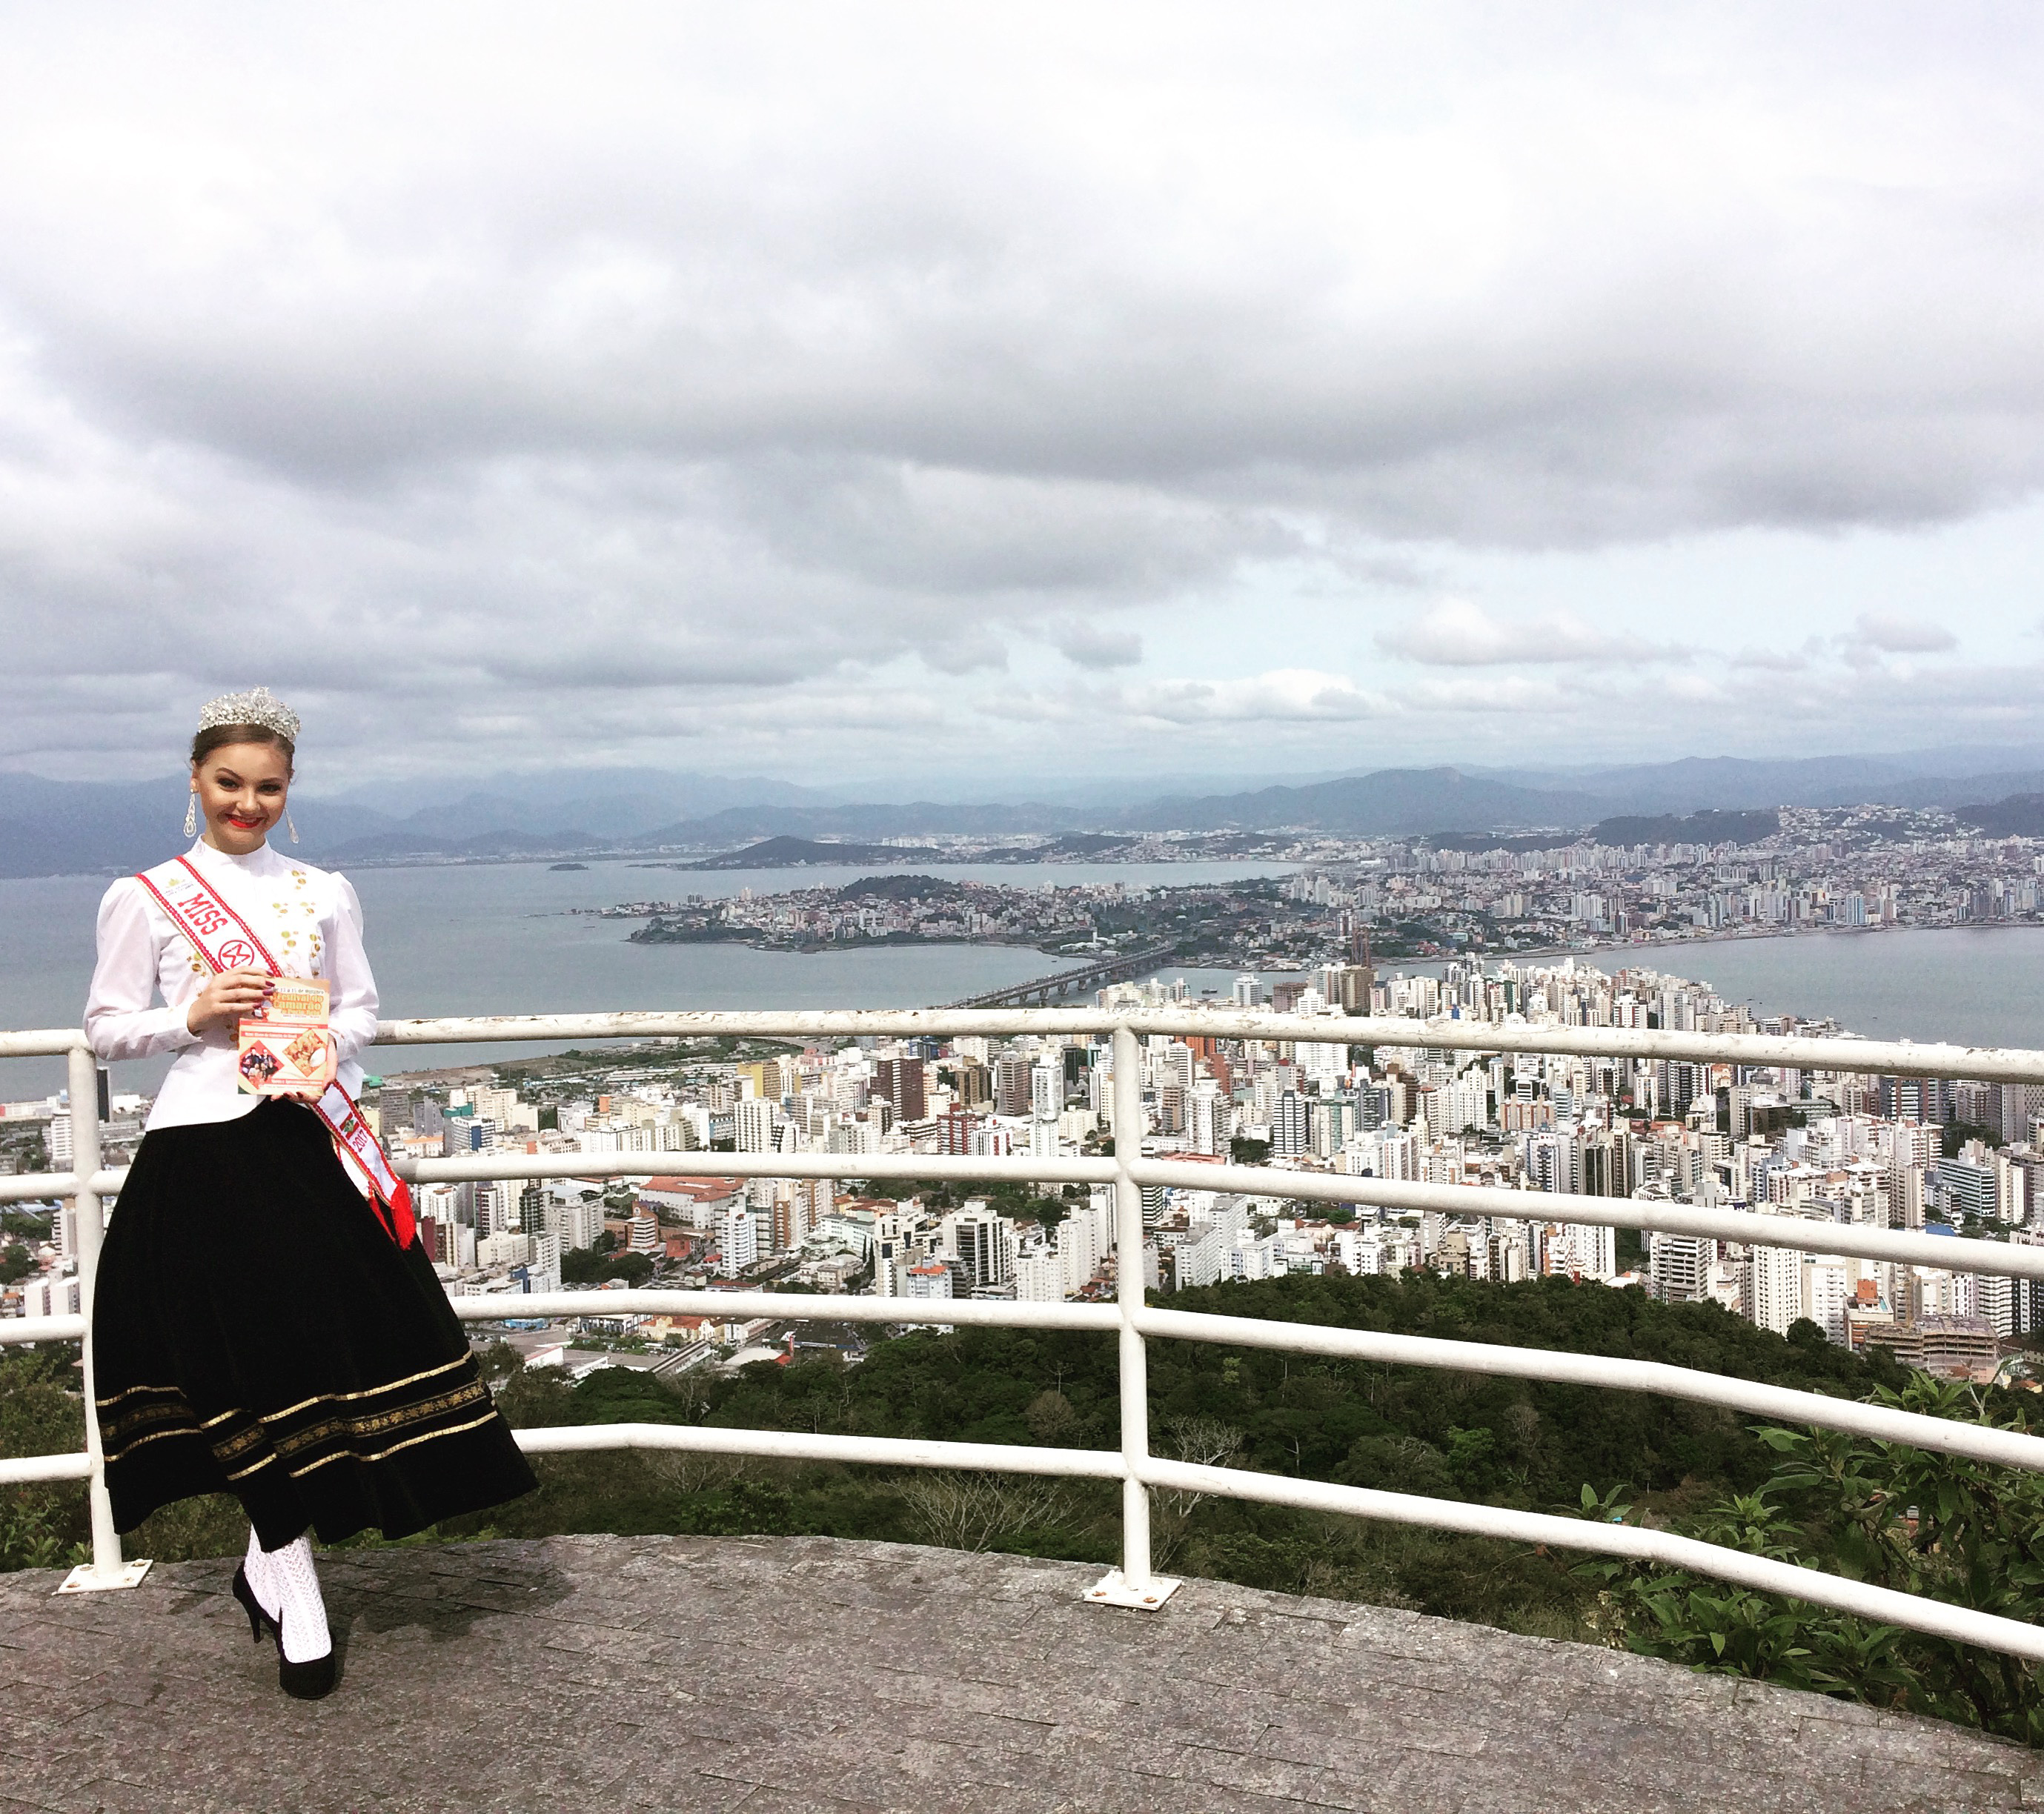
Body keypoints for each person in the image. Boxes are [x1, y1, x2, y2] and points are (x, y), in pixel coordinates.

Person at [84, 687, 537, 1698]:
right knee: (232, 1371)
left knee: (317, 1359)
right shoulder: (146, 895)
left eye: (268, 788)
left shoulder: (324, 892)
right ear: (196, 781)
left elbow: (364, 1005)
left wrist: (324, 1039)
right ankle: (295, 1587)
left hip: (306, 1145)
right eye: (229, 784)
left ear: (290, 789)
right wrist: (186, 1014)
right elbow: (107, 1026)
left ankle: (273, 1569)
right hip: (200, 1156)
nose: (248, 804)